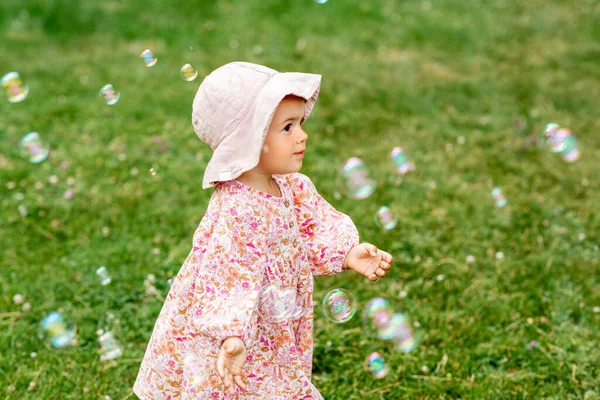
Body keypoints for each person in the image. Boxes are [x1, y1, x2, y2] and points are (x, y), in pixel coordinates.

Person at [133, 61, 393, 399]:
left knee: (273, 382)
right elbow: (224, 273)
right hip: (242, 331)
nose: (302, 135)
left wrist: (345, 252)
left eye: (299, 123)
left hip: (276, 322)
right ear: (248, 142)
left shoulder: (290, 186)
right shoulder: (237, 208)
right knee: (242, 388)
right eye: (287, 127)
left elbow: (308, 231)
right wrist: (231, 335)